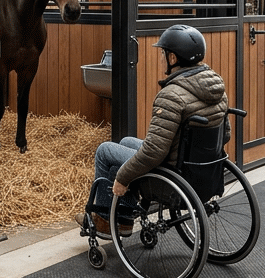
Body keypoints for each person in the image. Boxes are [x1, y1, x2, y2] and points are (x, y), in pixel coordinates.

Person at [79, 24, 228, 235]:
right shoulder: (217, 88)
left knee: (105, 151)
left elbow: (153, 152)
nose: (161, 58)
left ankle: (103, 220)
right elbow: (225, 134)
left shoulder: (172, 95)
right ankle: (124, 217)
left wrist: (122, 178)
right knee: (126, 142)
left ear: (173, 58)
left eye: (163, 53)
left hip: (172, 173)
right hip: (203, 171)